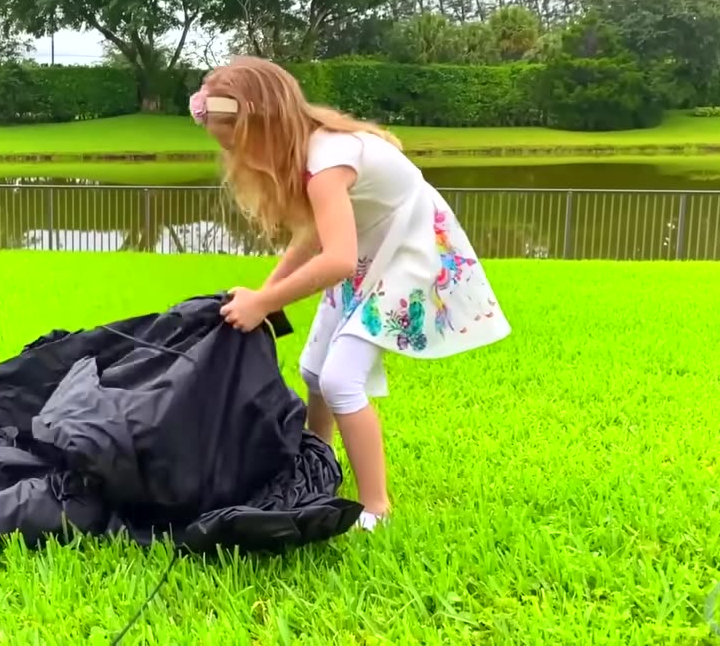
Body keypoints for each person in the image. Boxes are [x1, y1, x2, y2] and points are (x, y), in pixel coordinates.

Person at [191, 56, 511, 532]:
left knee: (342, 380)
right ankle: (315, 469)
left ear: (264, 122)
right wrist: (267, 293)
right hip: (369, 252)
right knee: (313, 370)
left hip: (407, 251)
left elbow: (336, 260)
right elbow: (312, 240)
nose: (240, 157)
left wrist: (264, 303)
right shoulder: (307, 156)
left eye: (239, 144)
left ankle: (375, 507)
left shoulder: (326, 162)